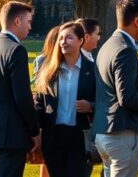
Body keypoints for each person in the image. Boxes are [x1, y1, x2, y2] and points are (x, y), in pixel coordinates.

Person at [93, 0, 138, 177]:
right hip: (122, 135)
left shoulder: (106, 46)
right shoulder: (125, 50)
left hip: (105, 133)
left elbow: (114, 93)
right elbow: (126, 98)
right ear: (137, 21)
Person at [0, 0, 41, 177]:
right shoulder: (16, 50)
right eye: (28, 22)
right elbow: (22, 97)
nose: (30, 27)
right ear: (17, 22)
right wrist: (34, 131)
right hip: (12, 133)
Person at [35, 21, 97, 177]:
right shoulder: (49, 70)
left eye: (69, 38)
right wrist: (35, 131)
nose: (63, 42)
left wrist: (90, 106)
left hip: (81, 138)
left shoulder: (93, 70)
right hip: (54, 138)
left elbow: (105, 102)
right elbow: (39, 105)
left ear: (81, 40)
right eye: (61, 38)